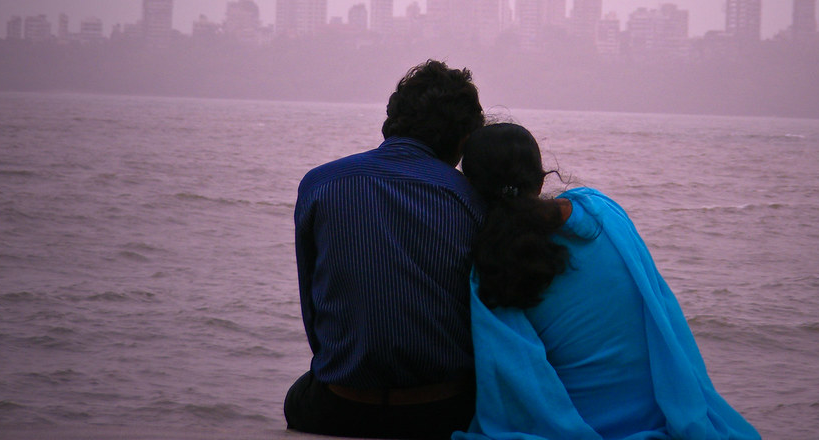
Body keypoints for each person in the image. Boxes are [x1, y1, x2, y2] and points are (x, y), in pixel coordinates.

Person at [454, 123, 761, 440]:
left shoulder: (493, 263)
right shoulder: (602, 212)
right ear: (541, 175)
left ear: (473, 191)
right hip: (663, 415)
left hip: (583, 426)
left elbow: (514, 385)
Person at [284, 60, 486, 440]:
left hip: (342, 407)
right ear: (463, 140)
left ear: (392, 118)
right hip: (442, 411)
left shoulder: (319, 184)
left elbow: (313, 312)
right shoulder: (471, 198)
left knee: (300, 393)